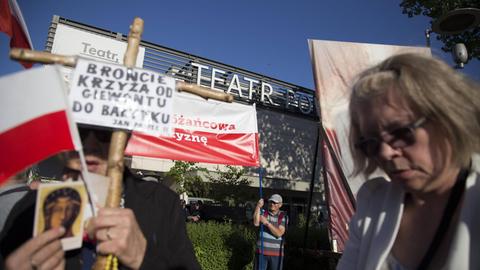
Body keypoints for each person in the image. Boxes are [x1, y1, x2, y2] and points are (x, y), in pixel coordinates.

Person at [337, 53, 480, 270]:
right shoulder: (373, 204)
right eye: (371, 142)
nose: (385, 153)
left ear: (449, 117)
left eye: (401, 132)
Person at [0, 127, 201, 269]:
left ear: (126, 138)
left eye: (105, 132)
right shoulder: (32, 206)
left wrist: (143, 258)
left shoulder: (161, 202)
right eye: (80, 131)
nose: (90, 144)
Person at [253, 194, 288, 270]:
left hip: (276, 254)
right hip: (261, 252)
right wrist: (258, 206)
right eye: (270, 202)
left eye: (275, 203)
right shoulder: (263, 212)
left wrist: (267, 223)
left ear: (280, 205)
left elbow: (279, 233)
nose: (272, 204)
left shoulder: (283, 216)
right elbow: (256, 223)